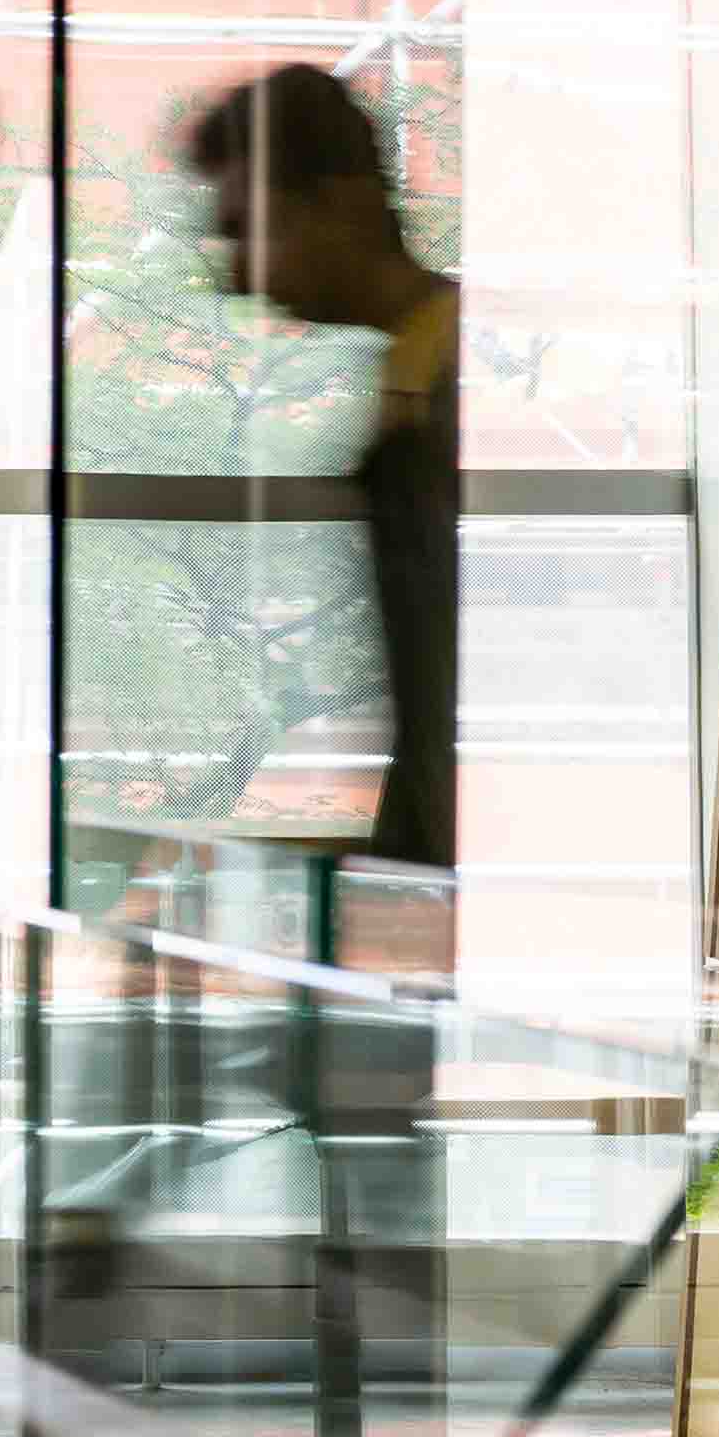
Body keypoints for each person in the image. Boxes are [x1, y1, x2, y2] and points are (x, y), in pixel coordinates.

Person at [187, 59, 460, 882]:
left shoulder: (458, 390)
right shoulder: (416, 381)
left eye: (250, 230)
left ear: (338, 203)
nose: (233, 275)